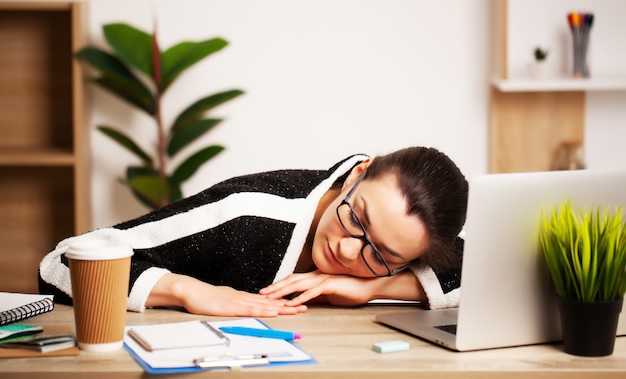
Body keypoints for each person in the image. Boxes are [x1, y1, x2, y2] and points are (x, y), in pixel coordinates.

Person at [39, 146, 468, 317]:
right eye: (356, 218)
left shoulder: (401, 255)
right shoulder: (249, 214)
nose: (346, 249)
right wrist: (189, 291)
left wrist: (373, 289)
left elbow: (486, 272)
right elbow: (64, 259)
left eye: (379, 255)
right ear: (358, 174)